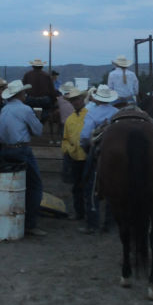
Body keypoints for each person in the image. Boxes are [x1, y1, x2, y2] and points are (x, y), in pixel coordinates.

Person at [0, 80, 46, 236]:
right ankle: (30, 224)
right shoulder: (25, 110)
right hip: (21, 149)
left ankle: (8, 216)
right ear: (20, 94)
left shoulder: (4, 109)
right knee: (35, 185)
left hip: (5, 149)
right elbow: (38, 130)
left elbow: (1, 133)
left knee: (11, 185)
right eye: (24, 92)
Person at [78, 84, 121, 234]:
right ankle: (111, 222)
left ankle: (92, 224)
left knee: (90, 185)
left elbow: (84, 136)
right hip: (117, 153)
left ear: (97, 99)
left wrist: (86, 148)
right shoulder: (117, 112)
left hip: (98, 151)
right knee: (115, 185)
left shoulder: (92, 113)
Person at [60, 86, 89, 220]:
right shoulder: (70, 120)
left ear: (82, 99)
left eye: (77, 99)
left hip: (88, 156)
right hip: (76, 157)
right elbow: (65, 138)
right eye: (73, 100)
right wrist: (68, 150)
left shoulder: (89, 114)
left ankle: (89, 213)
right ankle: (80, 213)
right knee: (77, 186)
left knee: (88, 186)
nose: (75, 102)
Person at [22, 59, 58, 124]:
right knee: (47, 108)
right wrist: (54, 100)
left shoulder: (27, 74)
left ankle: (31, 120)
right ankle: (43, 120)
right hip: (44, 100)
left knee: (27, 108)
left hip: (30, 99)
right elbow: (52, 90)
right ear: (42, 66)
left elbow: (23, 87)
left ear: (33, 66)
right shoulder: (46, 75)